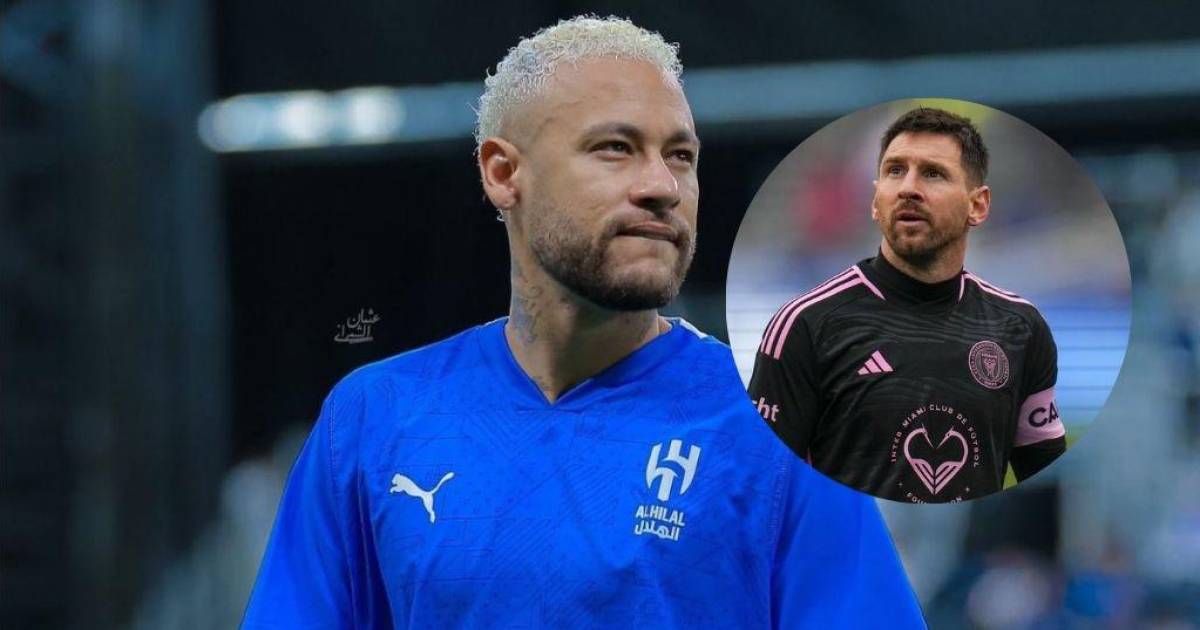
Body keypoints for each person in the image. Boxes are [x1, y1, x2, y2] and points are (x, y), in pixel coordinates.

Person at [242, 16, 923, 628]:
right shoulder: (375, 419)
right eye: (615, 148)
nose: (661, 186)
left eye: (681, 155)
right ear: (503, 173)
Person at [749, 107, 1067, 504]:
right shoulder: (806, 324)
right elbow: (762, 492)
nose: (908, 189)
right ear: (875, 200)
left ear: (978, 206)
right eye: (895, 171)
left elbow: (1044, 482)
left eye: (933, 173)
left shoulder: (1021, 327)